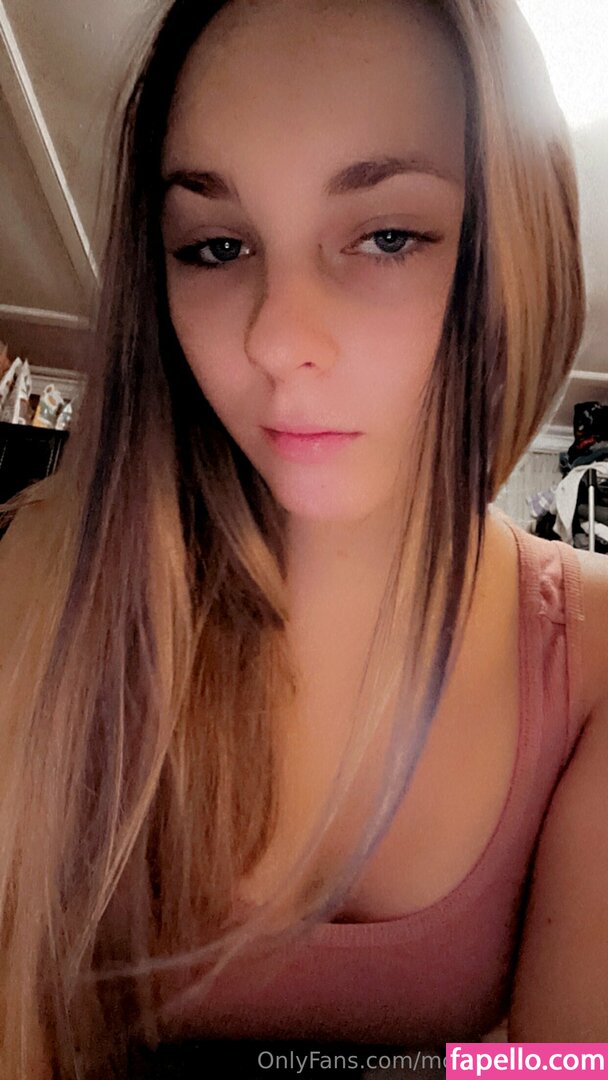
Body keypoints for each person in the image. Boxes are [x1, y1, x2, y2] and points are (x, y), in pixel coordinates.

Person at [0, 0, 607, 1075]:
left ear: (510, 260)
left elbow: (571, 1063)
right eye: (217, 246)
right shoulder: (43, 577)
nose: (277, 339)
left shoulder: (591, 654)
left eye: (387, 236)